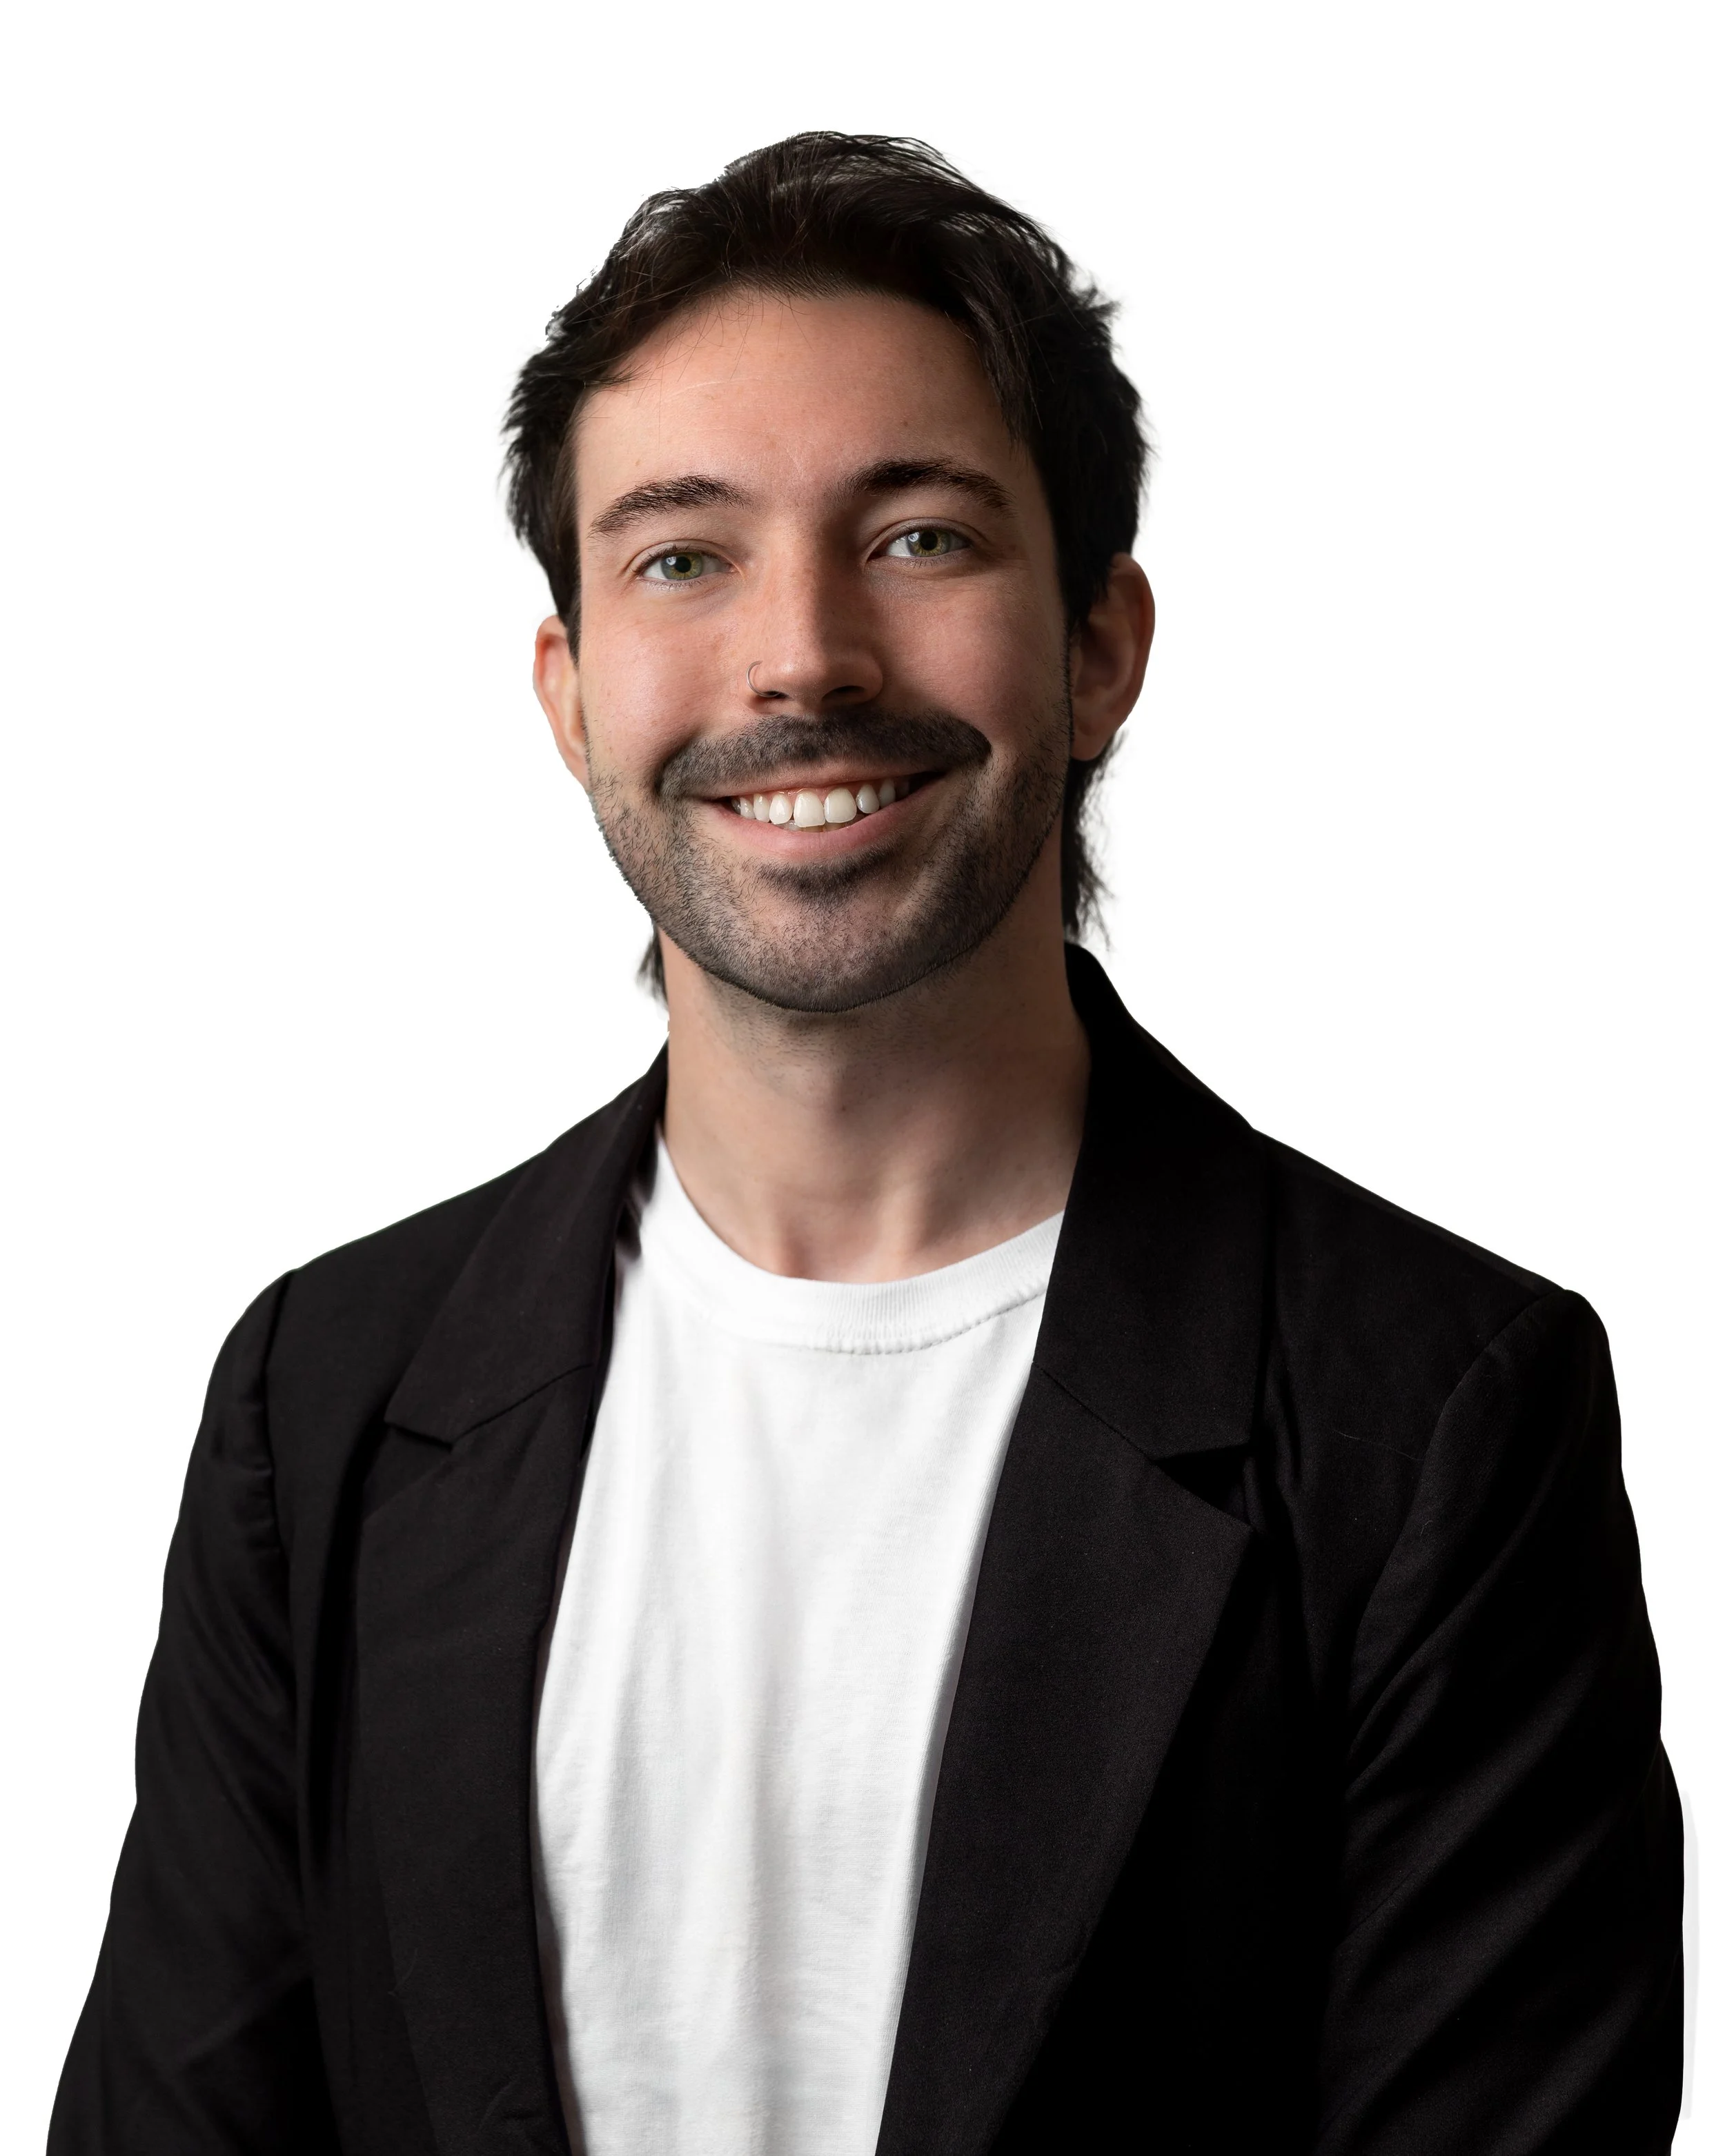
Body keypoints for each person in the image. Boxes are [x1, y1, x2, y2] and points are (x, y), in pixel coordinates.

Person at [50, 133, 1681, 2156]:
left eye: (916, 538)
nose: (800, 655)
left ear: (1099, 646)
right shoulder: (328, 1390)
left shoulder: (1439, 1414)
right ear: (567, 691)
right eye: (679, 553)